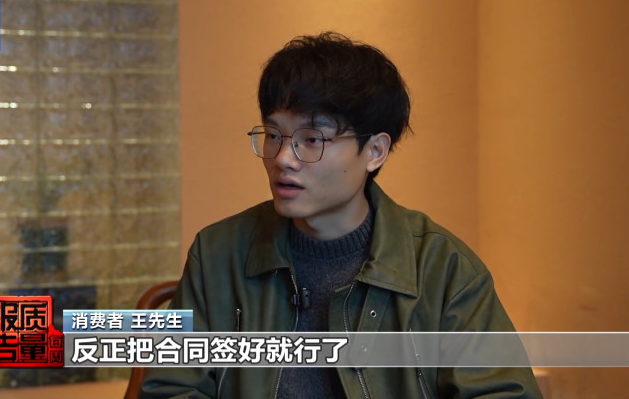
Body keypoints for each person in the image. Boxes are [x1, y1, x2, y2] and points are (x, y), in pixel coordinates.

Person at [141, 32, 542, 398]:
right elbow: (171, 389)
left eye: (312, 139)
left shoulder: (444, 270)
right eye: (274, 135)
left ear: (375, 151)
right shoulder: (217, 255)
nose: (283, 159)